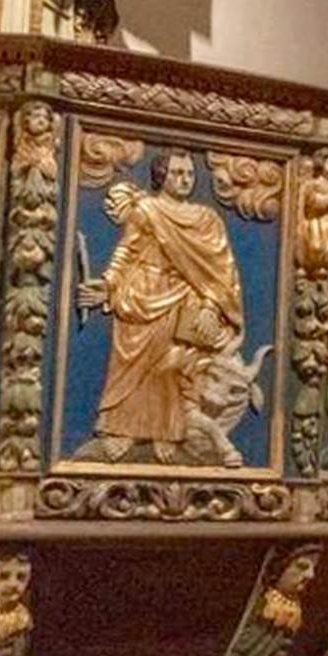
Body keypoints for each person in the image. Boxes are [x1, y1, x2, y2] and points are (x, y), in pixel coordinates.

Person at [76, 150, 244, 462]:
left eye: (189, 174)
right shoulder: (147, 210)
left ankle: (167, 432)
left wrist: (210, 305)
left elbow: (221, 271)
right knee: (132, 366)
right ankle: (121, 430)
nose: (184, 179)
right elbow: (126, 251)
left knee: (170, 369)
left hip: (181, 300)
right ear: (161, 176)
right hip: (141, 293)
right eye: (177, 173)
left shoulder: (207, 220)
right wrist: (109, 283)